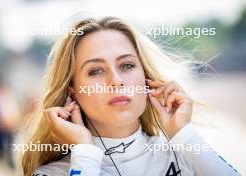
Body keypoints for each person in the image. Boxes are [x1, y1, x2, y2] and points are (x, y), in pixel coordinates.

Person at [21, 16, 240, 176]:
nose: (116, 80)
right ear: (73, 94)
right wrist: (85, 152)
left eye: (127, 65)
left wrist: (183, 134)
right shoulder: (51, 174)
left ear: (145, 79)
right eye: (95, 71)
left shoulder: (187, 154)